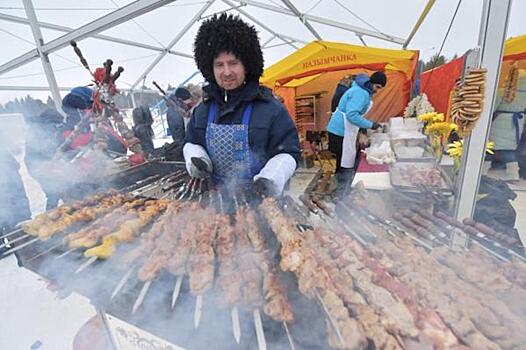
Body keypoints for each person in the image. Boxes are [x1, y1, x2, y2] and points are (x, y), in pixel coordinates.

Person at [184, 14, 301, 196]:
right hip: (217, 200)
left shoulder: (271, 110)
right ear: (210, 68)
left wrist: (271, 177)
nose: (227, 72)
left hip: (261, 200)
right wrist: (197, 159)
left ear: (247, 65)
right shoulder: (202, 111)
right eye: (219, 65)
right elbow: (191, 141)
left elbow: (289, 152)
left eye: (233, 63)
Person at [326, 72, 386, 174]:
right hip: (340, 131)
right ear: (371, 82)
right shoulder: (361, 93)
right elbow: (352, 115)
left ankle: (340, 183)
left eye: (379, 88)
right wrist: (371, 125)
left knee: (342, 162)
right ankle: (341, 186)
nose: (377, 90)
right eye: (377, 87)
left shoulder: (360, 89)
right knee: (343, 166)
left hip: (339, 130)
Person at [25, 109, 65, 209]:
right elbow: (44, 151)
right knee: (53, 193)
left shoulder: (47, 128)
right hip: (37, 166)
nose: (58, 127)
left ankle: (67, 210)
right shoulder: (39, 132)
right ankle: (49, 219)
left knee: (62, 189)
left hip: (46, 164)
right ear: (50, 121)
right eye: (56, 124)